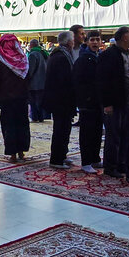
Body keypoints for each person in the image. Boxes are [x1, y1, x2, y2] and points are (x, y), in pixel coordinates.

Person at [97, 26, 129, 182]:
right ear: (124, 38)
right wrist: (107, 103)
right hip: (113, 103)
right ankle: (110, 166)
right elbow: (103, 81)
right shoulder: (108, 55)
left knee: (125, 135)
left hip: (127, 101)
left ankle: (122, 164)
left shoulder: (128, 54)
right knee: (113, 135)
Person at [0, 33, 31, 161]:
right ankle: (21, 152)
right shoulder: (23, 59)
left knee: (9, 125)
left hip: (6, 99)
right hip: (21, 98)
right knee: (22, 124)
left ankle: (12, 154)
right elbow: (28, 78)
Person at [43, 30, 79, 168]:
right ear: (69, 42)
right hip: (60, 100)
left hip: (62, 100)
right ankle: (56, 160)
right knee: (60, 130)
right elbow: (63, 81)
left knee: (64, 129)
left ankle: (62, 155)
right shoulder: (60, 57)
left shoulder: (60, 55)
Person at [73, 30, 104, 173]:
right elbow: (78, 82)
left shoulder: (98, 57)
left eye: (97, 40)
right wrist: (84, 99)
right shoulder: (83, 59)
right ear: (87, 42)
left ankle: (95, 158)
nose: (95, 42)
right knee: (87, 132)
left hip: (98, 102)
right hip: (87, 102)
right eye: (92, 40)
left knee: (97, 131)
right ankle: (86, 161)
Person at [26, 38, 49, 121]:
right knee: (40, 101)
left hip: (35, 82)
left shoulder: (33, 54)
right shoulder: (44, 53)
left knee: (33, 101)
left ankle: (34, 117)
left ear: (32, 45)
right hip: (43, 81)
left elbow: (31, 69)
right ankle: (41, 117)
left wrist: (27, 79)